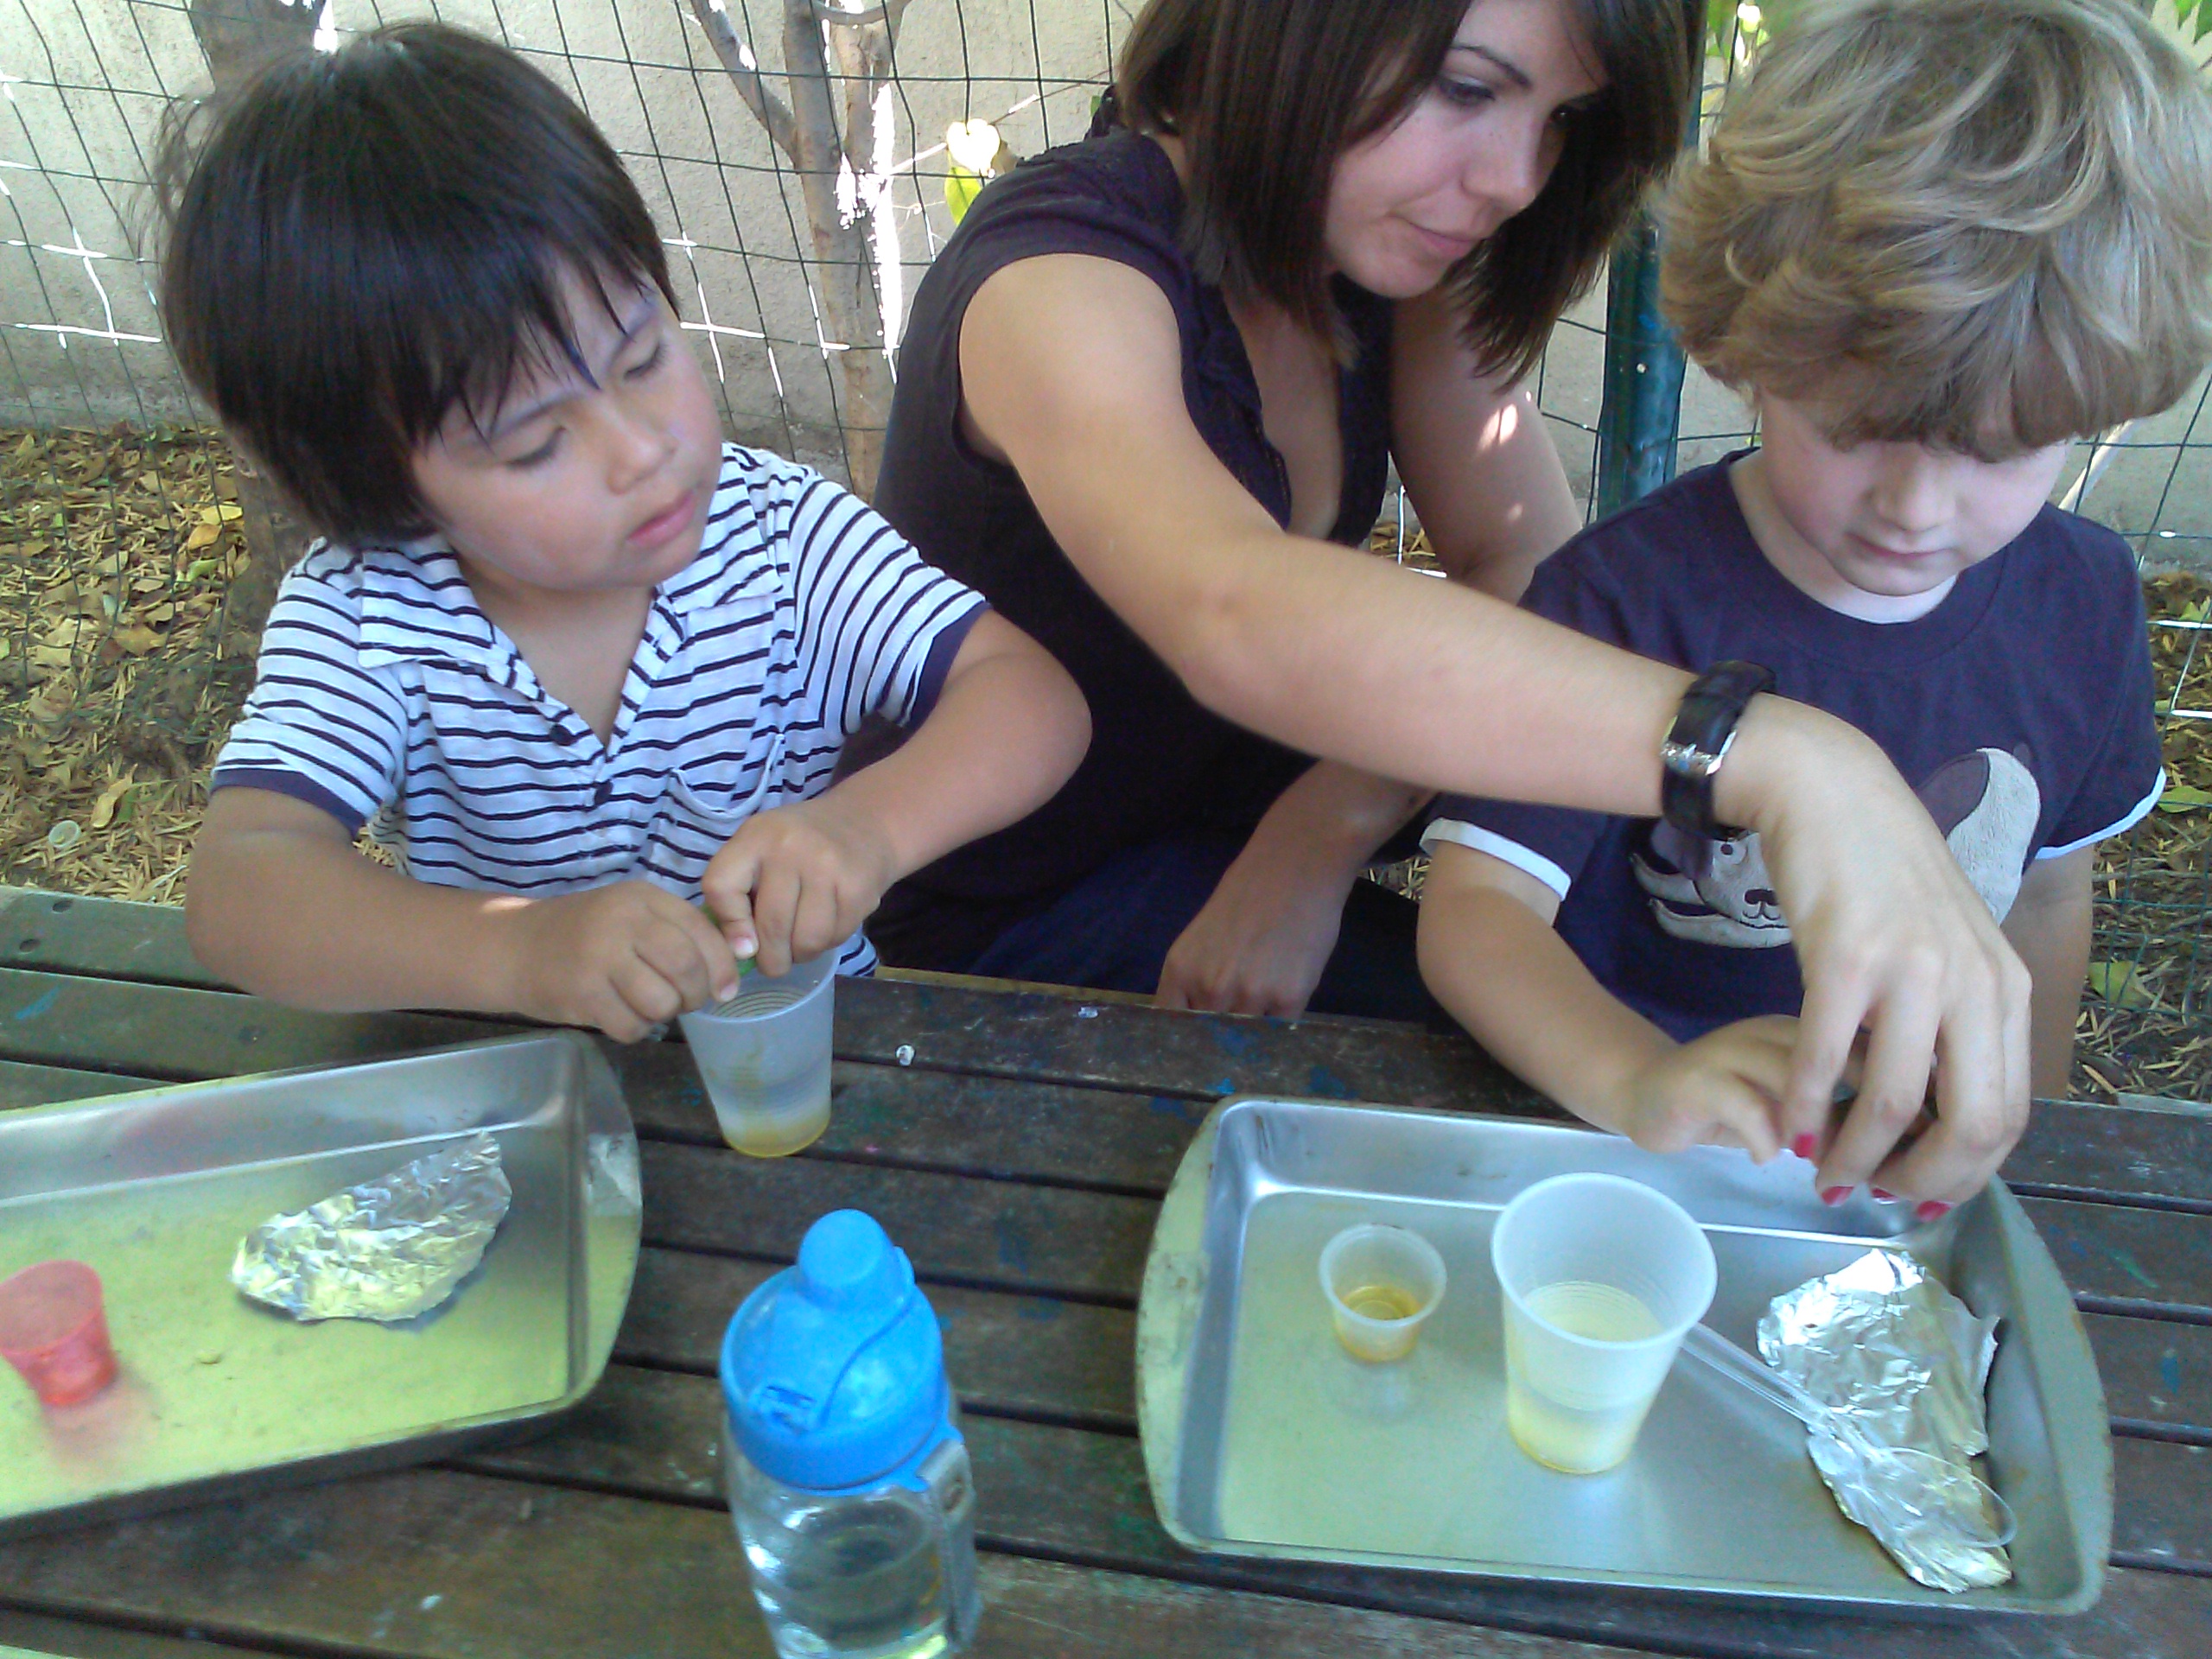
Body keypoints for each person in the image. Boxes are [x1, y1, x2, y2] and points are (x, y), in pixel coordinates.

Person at [866, 0, 2035, 1208]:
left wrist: (1315, 839)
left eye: (1562, 120)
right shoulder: (1058, 275)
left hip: (1235, 845)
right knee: (1577, 1103)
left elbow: (1523, 562)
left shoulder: (1378, 256)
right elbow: (1230, 607)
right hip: (1002, 915)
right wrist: (1778, 759)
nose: (1516, 180)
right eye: (1470, 90)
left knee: (1619, 1049)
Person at [1416, 0, 2210, 1200]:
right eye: (1856, 426)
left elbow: (2046, 889)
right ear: (1750, 348)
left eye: (2003, 449)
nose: (1915, 508)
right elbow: (1478, 910)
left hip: (1885, 1169)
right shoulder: (1622, 600)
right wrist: (1640, 1078)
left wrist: (2020, 1138)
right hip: (1614, 1147)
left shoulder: (2086, 604)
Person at [162, 25, 1090, 1042]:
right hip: (523, 1083)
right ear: (382, 490)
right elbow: (241, 891)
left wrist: (867, 828)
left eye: (643, 358)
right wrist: (520, 950)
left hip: (809, 1055)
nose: (641, 450)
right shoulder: (372, 619)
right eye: (531, 445)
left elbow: (1030, 698)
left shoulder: (781, 541)